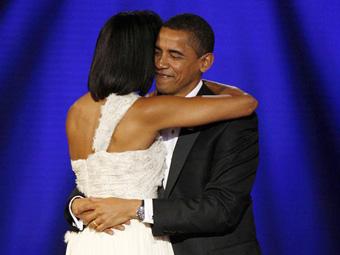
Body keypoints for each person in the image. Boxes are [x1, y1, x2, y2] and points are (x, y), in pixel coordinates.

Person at [65, 12, 260, 255]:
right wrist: (75, 204)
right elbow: (98, 178)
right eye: (155, 52)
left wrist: (135, 208)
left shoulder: (231, 122)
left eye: (174, 55)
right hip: (131, 241)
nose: (160, 63)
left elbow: (222, 208)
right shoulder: (142, 109)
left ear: (205, 62)